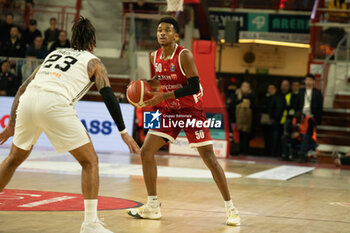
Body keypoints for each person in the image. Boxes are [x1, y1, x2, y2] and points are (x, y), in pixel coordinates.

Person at [0, 16, 140, 233]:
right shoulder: (94, 62)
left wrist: (11, 125)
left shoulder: (53, 54)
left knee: (12, 159)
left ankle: (91, 224)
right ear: (92, 43)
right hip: (54, 104)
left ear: (73, 39)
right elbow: (109, 96)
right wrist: (123, 131)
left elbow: (21, 89)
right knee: (90, 161)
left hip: (28, 101)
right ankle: (90, 223)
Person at [127, 17, 240, 226]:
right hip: (169, 110)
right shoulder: (155, 56)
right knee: (146, 151)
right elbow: (160, 81)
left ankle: (231, 208)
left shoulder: (184, 55)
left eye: (167, 30)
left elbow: (194, 86)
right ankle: (152, 206)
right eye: (159, 30)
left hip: (191, 110)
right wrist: (142, 87)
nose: (162, 33)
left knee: (209, 158)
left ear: (175, 35)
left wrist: (164, 96)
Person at [296, 74, 323, 161]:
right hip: (301, 117)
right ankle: (302, 154)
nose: (308, 81)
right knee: (303, 135)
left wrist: (317, 119)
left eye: (310, 80)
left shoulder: (317, 93)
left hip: (311, 117)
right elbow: (297, 105)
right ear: (304, 81)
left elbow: (320, 107)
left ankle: (303, 154)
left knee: (306, 136)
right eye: (307, 80)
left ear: (314, 82)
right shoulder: (301, 92)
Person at [235, 81, 254, 156]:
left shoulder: (251, 96)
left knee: (246, 136)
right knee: (238, 135)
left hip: (247, 120)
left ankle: (245, 151)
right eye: (243, 86)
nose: (245, 88)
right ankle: (238, 150)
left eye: (246, 86)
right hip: (237, 119)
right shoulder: (237, 95)